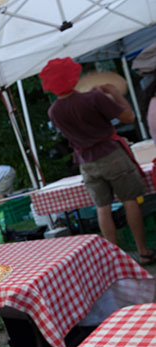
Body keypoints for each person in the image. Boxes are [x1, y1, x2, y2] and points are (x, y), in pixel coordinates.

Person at [40, 57, 156, 265]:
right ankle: (143, 251)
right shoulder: (92, 97)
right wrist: (114, 93)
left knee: (102, 207)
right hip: (111, 155)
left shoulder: (53, 111)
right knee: (130, 201)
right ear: (73, 78)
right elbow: (128, 117)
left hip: (86, 162)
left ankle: (115, 258)